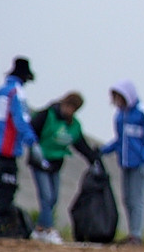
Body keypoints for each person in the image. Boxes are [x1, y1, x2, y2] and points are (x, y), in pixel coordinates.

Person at [25, 92, 97, 244]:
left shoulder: (73, 125)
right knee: (46, 196)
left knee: (54, 197)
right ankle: (49, 229)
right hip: (40, 163)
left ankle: (39, 229)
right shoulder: (46, 114)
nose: (69, 110)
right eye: (69, 106)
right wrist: (34, 146)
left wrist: (94, 160)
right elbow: (30, 130)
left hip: (55, 165)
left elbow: (80, 145)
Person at [0, 56, 37, 238]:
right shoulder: (16, 93)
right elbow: (21, 120)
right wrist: (32, 143)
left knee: (1, 187)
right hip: (7, 149)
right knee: (7, 189)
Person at [104, 80, 144, 245]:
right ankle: (131, 233)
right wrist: (103, 150)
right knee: (127, 199)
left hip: (139, 164)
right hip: (125, 163)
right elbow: (120, 140)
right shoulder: (120, 116)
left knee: (136, 198)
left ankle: (136, 235)